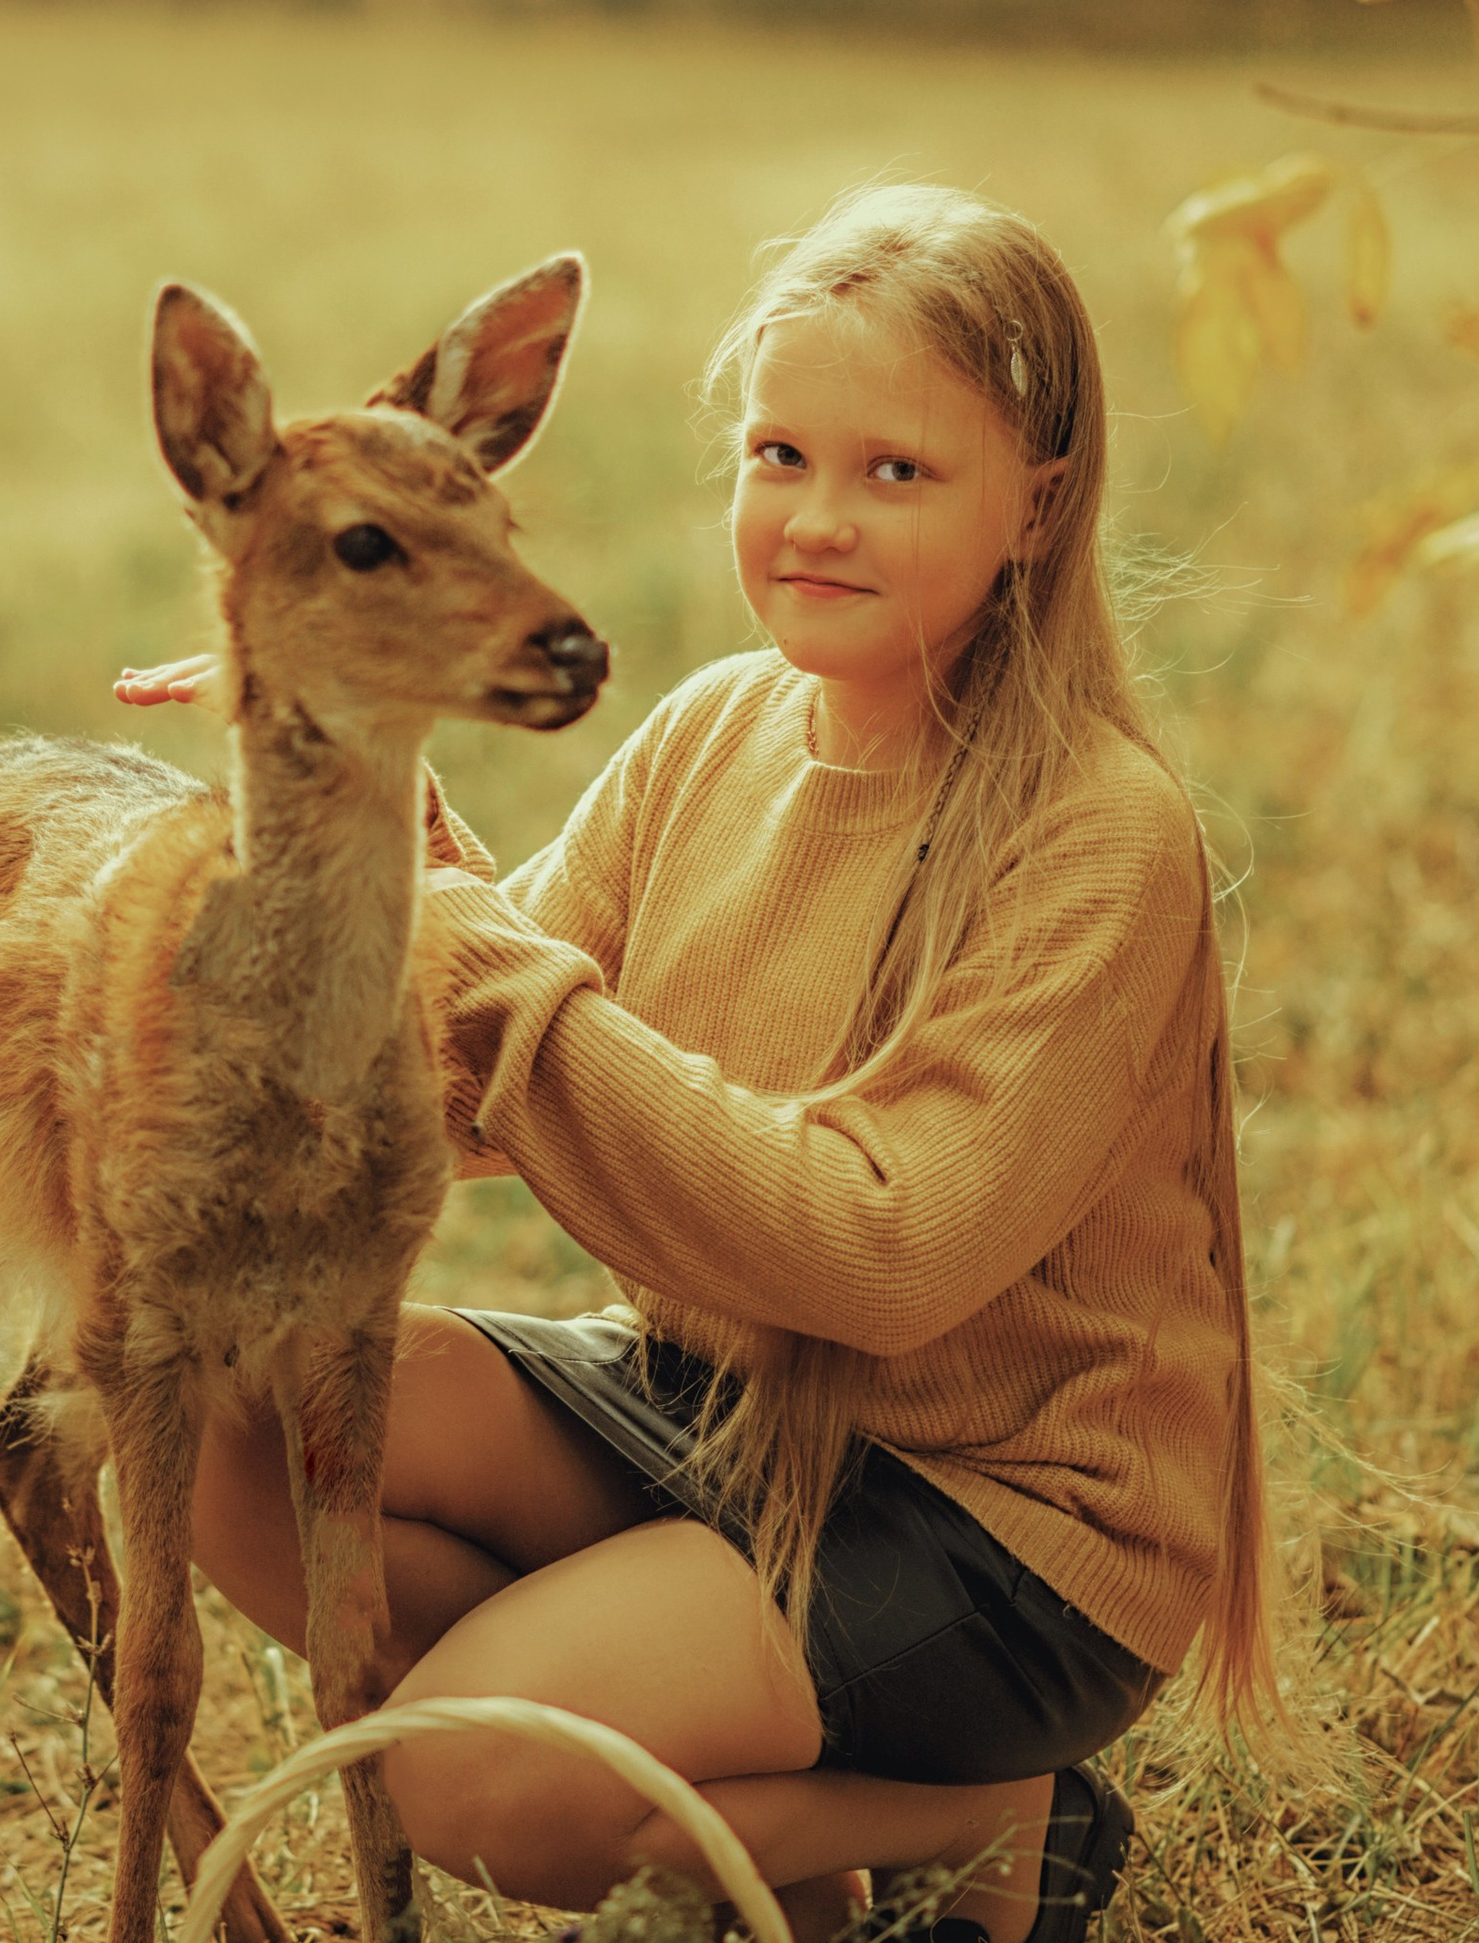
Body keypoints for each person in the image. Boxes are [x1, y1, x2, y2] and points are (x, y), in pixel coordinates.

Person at [111, 186, 1287, 1943]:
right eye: (781, 451)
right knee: (235, 1413)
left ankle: (992, 1810)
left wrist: (468, 942)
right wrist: (337, 807)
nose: (817, 518)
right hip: (721, 1416)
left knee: (460, 1777)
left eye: (900, 473)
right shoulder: (716, 731)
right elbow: (472, 1069)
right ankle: (767, 1851)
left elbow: (876, 1253)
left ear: (1036, 503)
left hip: (998, 1525)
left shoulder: (1101, 838)